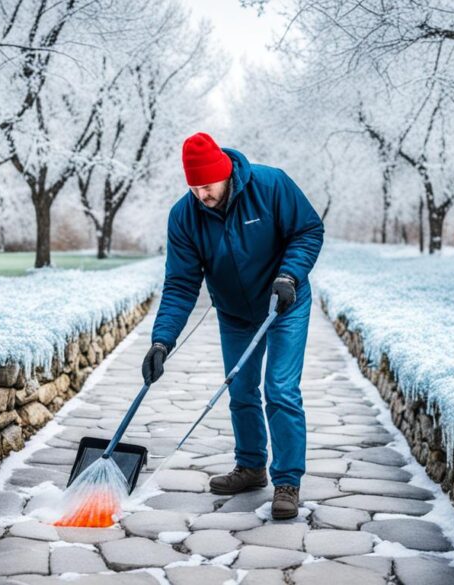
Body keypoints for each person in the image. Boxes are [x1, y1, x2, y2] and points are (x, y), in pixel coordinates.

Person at [141, 132, 324, 519]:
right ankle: (252, 467)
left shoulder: (271, 184)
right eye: (194, 187)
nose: (201, 195)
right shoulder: (184, 216)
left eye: (207, 186)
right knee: (240, 388)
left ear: (225, 174)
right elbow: (180, 283)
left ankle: (287, 480)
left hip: (284, 300)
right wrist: (161, 342)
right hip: (236, 312)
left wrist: (289, 274)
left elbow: (308, 230)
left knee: (280, 388)